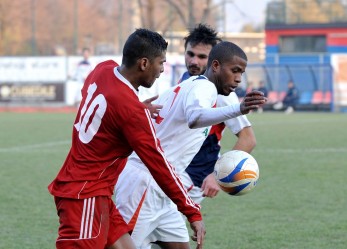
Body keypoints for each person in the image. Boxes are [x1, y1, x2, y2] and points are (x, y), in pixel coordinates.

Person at [48, 28, 206, 249]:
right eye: (161, 63)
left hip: (96, 193)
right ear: (144, 63)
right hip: (84, 197)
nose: (162, 70)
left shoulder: (103, 69)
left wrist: (134, 109)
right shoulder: (131, 112)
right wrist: (191, 212)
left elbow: (96, 98)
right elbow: (159, 164)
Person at [114, 41, 267, 249]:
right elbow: (195, 118)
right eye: (235, 71)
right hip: (144, 183)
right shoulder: (205, 87)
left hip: (165, 186)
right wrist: (238, 108)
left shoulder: (191, 84)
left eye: (242, 72)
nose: (239, 78)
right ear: (215, 66)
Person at [179, 24, 257, 205]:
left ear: (214, 61)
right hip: (175, 170)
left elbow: (248, 139)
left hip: (193, 177)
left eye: (201, 57)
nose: (194, 62)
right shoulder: (187, 80)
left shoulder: (221, 93)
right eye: (190, 54)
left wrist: (217, 175)